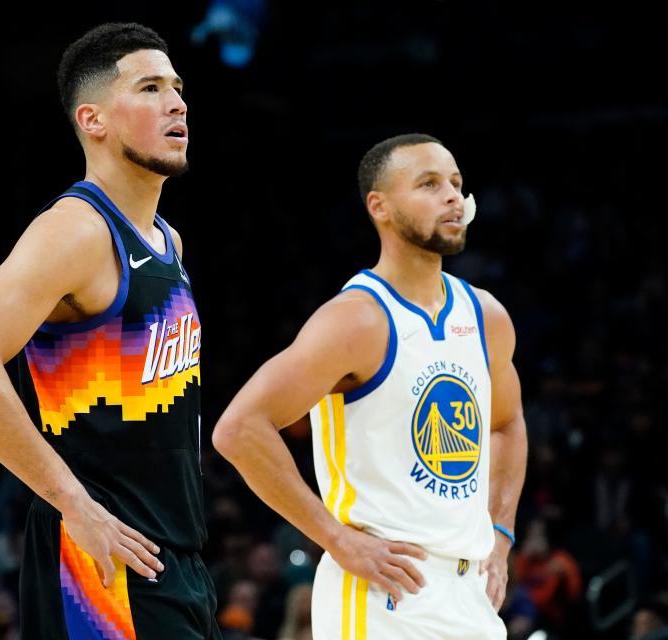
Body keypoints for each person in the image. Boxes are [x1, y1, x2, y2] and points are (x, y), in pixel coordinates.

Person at [0, 23, 218, 639]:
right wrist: (74, 503)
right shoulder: (77, 230)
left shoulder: (168, 239)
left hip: (175, 557)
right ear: (93, 120)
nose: (177, 103)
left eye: (177, 87)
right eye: (149, 88)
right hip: (103, 562)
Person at [212, 133, 528, 638]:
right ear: (378, 206)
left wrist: (502, 533)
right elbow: (238, 429)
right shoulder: (355, 320)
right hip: (382, 596)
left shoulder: (486, 316)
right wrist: (335, 538)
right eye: (428, 184)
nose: (452, 196)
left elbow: (507, 424)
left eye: (456, 183)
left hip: (470, 597)